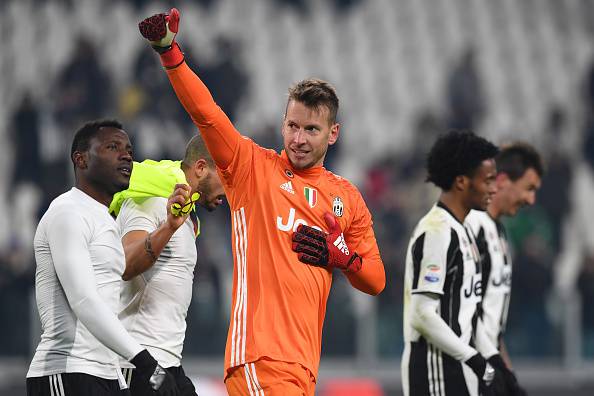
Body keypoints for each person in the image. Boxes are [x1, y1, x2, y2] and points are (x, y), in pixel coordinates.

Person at [138, 8, 385, 395]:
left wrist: (342, 259)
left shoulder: (346, 198)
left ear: (333, 134)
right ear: (282, 123)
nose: (298, 138)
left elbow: (376, 280)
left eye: (311, 129)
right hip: (259, 358)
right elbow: (207, 115)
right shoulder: (251, 168)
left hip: (305, 367)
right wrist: (170, 53)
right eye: (292, 126)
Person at [26, 120, 178, 396]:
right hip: (67, 371)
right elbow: (83, 300)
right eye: (112, 147)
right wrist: (145, 362)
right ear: (80, 159)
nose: (127, 156)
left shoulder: (105, 219)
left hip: (106, 373)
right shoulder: (68, 212)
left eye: (129, 150)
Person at [112, 135, 226, 396]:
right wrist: (168, 227)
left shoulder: (184, 211)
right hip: (137, 364)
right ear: (200, 168)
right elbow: (126, 263)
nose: (230, 190)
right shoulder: (149, 199)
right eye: (226, 178)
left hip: (167, 362)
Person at [401, 131, 503, 396]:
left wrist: (492, 359)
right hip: (436, 367)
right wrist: (473, 357)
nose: (494, 189)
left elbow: (467, 310)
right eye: (488, 180)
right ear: (461, 182)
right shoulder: (437, 232)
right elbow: (422, 314)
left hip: (459, 366)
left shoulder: (463, 231)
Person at [466, 143, 543, 395]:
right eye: (528, 189)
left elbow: (491, 328)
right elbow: (459, 315)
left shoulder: (498, 232)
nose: (531, 200)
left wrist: (508, 378)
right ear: (502, 181)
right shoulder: (471, 229)